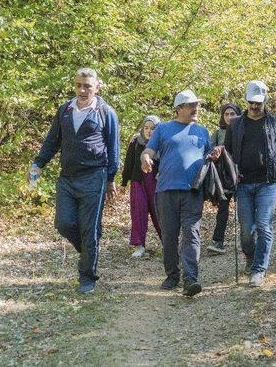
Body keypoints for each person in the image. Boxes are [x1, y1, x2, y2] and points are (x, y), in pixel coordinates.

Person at [27, 68, 120, 294]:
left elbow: (113, 147)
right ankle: (89, 250)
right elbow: (52, 141)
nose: (82, 90)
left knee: (89, 228)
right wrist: (38, 163)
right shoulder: (65, 110)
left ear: (97, 87)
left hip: (94, 176)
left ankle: (87, 276)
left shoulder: (106, 112)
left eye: (87, 86)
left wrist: (110, 178)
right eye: (79, 85)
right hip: (67, 178)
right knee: (64, 223)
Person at [141, 89, 213, 297]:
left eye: (196, 105)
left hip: (193, 191)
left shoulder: (202, 131)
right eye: (191, 105)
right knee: (170, 236)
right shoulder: (163, 129)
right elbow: (149, 151)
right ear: (179, 109)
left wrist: (214, 156)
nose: (196, 108)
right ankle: (172, 275)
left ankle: (191, 279)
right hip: (166, 191)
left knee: (192, 234)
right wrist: (145, 158)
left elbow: (208, 157)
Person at [223, 80, 276, 287]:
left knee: (264, 225)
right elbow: (227, 153)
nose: (255, 107)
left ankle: (259, 269)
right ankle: (250, 256)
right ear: (246, 101)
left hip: (267, 182)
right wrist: (227, 178)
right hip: (243, 183)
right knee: (247, 230)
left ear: (265, 101)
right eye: (252, 102)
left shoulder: (275, 121)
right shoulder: (235, 124)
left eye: (259, 103)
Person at [121, 115, 162, 258]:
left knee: (160, 213)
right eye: (146, 128)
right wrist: (124, 182)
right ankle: (139, 245)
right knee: (138, 212)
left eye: (152, 128)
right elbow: (129, 162)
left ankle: (168, 243)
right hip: (138, 181)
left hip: (156, 182)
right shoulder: (135, 142)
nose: (149, 131)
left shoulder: (162, 142)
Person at [207, 103, 242, 254]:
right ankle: (218, 241)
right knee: (223, 208)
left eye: (232, 114)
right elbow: (209, 154)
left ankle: (247, 239)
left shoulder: (243, 130)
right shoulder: (217, 134)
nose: (229, 117)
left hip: (243, 174)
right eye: (226, 114)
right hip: (225, 176)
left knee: (245, 208)